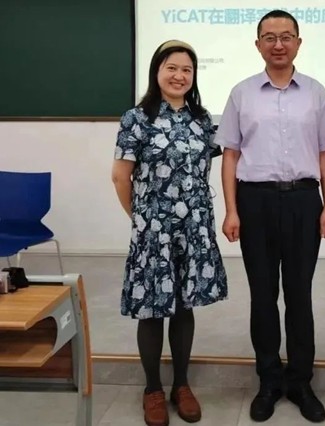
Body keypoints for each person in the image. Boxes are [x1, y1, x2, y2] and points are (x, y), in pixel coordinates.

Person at [214, 9, 325, 423]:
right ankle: (268, 381)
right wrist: (232, 210)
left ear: (298, 42)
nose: (278, 44)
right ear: (258, 44)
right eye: (270, 37)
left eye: (286, 36)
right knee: (263, 295)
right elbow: (230, 155)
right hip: (255, 202)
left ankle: (300, 381)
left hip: (304, 200)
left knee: (299, 295)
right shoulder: (241, 93)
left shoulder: (316, 93)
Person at [111, 39, 228, 426]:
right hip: (153, 230)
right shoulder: (136, 118)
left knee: (184, 305)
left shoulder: (202, 119)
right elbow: (120, 177)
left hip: (194, 227)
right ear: (157, 72)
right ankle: (152, 389)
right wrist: (141, 219)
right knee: (152, 307)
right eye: (172, 68)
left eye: (187, 70)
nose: (179, 76)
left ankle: (181, 384)